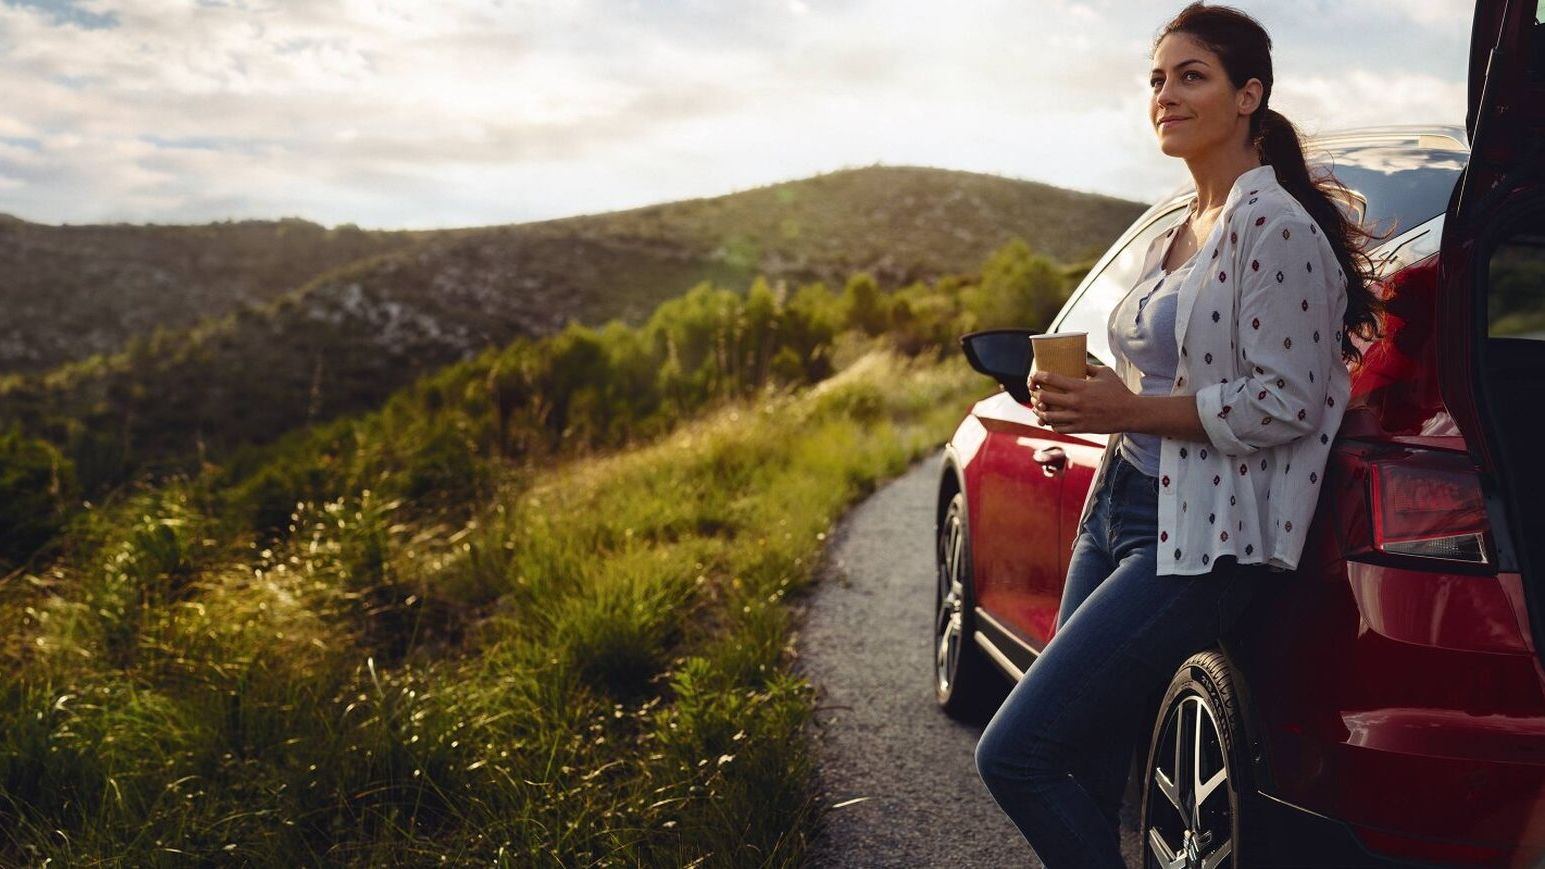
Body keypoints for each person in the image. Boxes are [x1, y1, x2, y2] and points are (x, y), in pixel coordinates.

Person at [971, 3, 1385, 867]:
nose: (1165, 94)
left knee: (1015, 751)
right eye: (1156, 79)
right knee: (1081, 765)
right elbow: (1176, 374)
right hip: (1117, 501)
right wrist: (1098, 397)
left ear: (1248, 96)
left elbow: (1287, 402)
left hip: (1199, 535)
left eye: (1190, 76)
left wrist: (1125, 410)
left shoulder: (1275, 227)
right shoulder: (1178, 228)